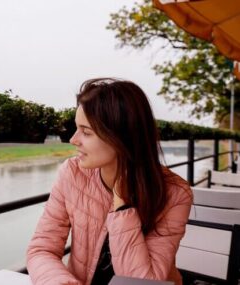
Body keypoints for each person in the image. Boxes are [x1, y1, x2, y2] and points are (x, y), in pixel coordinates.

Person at [26, 78, 193, 285]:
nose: (73, 140)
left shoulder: (175, 193)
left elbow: (143, 282)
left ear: (121, 137)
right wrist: (60, 282)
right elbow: (42, 249)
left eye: (86, 132)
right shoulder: (72, 173)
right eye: (76, 128)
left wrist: (123, 207)